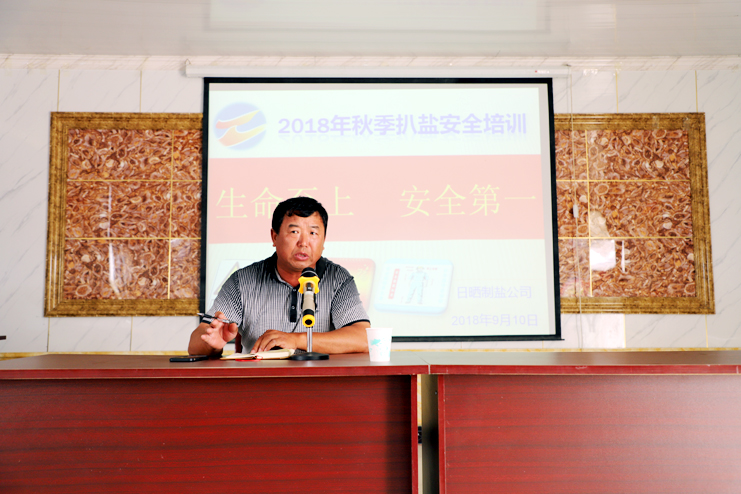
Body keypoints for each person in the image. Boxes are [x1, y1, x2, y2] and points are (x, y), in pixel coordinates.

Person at [188, 197, 370, 357]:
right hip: (260, 379)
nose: (304, 243)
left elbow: (363, 338)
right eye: (294, 232)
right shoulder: (243, 281)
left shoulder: (337, 279)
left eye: (313, 233)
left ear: (323, 241)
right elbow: (196, 344)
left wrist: (296, 340)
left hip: (318, 380)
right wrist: (211, 344)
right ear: (274, 237)